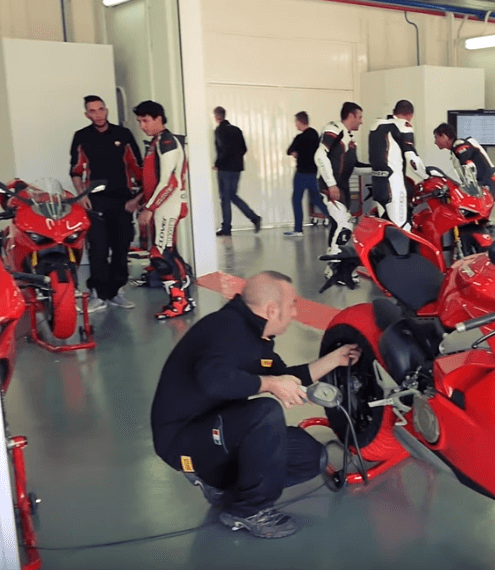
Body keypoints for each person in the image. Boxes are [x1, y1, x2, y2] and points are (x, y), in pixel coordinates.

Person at [150, 270, 361, 538]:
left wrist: (335, 359)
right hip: (182, 439)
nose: (295, 313)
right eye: (291, 305)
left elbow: (286, 377)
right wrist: (271, 385)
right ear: (272, 310)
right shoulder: (225, 329)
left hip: (221, 429)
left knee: (311, 457)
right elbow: (212, 381)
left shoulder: (256, 335)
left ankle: (226, 489)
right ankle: (247, 511)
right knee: (265, 412)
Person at [69, 95, 143, 312]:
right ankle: (98, 294)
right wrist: (82, 196)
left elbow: (137, 167)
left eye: (101, 109)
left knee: (121, 247)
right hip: (95, 201)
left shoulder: (123, 134)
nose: (98, 114)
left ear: (106, 110)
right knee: (98, 249)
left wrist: (137, 199)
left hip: (122, 200)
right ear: (87, 114)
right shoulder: (81, 137)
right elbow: (75, 171)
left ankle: (116, 291)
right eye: (92, 111)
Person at [128, 100, 195, 320]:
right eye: (139, 121)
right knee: (169, 252)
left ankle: (179, 302)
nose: (142, 126)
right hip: (162, 206)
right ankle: (184, 297)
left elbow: (169, 183)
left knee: (159, 255)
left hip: (169, 207)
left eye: (145, 120)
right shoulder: (157, 141)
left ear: (158, 118)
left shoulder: (167, 141)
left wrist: (149, 209)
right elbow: (153, 180)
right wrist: (139, 200)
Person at [316, 102, 369, 278]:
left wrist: (381, 170)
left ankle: (337, 267)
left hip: (342, 188)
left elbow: (354, 167)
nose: (361, 122)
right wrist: (331, 184)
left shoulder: (349, 139)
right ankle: (334, 268)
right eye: (359, 117)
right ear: (351, 116)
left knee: (342, 224)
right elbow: (320, 155)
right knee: (342, 224)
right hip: (330, 188)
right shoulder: (334, 129)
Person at [368, 100, 428, 229]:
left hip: (378, 184)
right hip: (394, 186)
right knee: (402, 229)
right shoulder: (403, 126)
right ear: (410, 115)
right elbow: (412, 160)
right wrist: (427, 175)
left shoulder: (376, 125)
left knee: (385, 227)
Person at [213, 106, 261, 237]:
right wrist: (236, 159)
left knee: (225, 198)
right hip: (237, 168)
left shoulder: (219, 130)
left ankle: (227, 228)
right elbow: (244, 148)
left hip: (225, 169)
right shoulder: (236, 130)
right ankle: (254, 218)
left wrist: (217, 163)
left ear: (217, 117)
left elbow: (223, 149)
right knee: (232, 196)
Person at [283, 111, 327, 237]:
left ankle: (298, 229)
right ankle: (334, 219)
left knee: (296, 199)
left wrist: (295, 153)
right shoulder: (315, 135)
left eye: (296, 122)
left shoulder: (300, 138)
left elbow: (289, 150)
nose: (295, 125)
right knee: (316, 199)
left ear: (300, 121)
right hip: (313, 173)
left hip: (301, 174)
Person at [433, 123, 495, 201]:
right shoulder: (456, 149)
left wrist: (470, 190)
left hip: (488, 185)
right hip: (487, 185)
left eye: (436, 137)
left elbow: (469, 165)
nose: (435, 142)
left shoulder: (460, 146)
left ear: (444, 136)